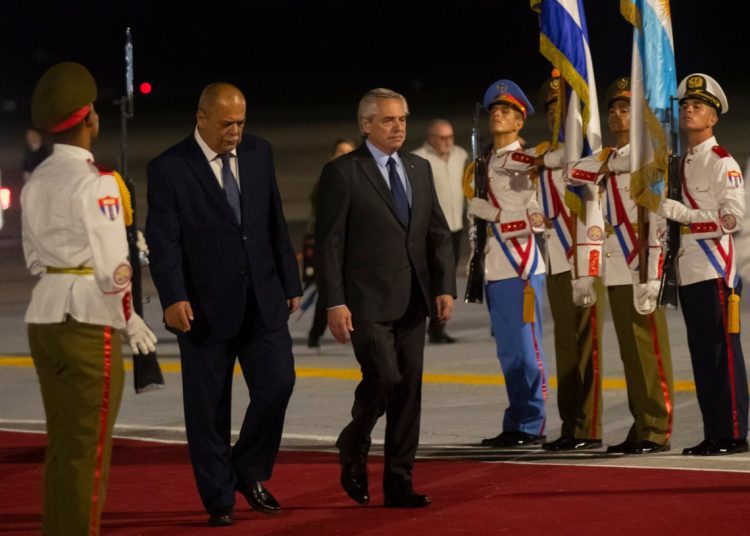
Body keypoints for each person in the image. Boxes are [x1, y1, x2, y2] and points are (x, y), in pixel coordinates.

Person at [145, 82, 302, 527]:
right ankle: (219, 499)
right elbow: (164, 241)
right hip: (203, 310)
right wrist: (174, 296)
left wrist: (290, 281)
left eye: (241, 122)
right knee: (209, 410)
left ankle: (247, 470)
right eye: (227, 123)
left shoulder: (258, 152)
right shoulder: (170, 168)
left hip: (263, 300)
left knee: (278, 385)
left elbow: (273, 220)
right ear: (201, 118)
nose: (236, 131)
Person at [22, 61, 157, 536]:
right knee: (90, 452)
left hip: (44, 316)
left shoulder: (36, 180)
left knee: (63, 447)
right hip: (85, 319)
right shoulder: (97, 181)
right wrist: (129, 318)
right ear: (89, 120)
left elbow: (34, 260)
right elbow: (113, 266)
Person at [316, 88, 456, 508]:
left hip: (414, 299)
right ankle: (355, 440)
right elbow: (329, 244)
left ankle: (399, 483)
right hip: (366, 301)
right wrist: (334, 302)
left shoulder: (419, 167)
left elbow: (438, 233)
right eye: (389, 120)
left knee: (409, 391)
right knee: (386, 378)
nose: (398, 127)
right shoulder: (344, 172)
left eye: (403, 119)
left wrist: (443, 286)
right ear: (366, 125)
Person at [565, 77, 674, 455]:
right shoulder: (608, 157)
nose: (615, 113)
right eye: (612, 108)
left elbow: (659, 215)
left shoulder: (652, 158)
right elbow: (570, 173)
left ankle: (656, 428)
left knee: (649, 348)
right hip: (615, 262)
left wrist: (657, 267)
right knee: (630, 350)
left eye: (625, 108)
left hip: (642, 261)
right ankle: (641, 423)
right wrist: (609, 160)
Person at [659, 73, 748, 455]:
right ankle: (714, 430)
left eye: (698, 106)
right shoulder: (682, 162)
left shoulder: (720, 161)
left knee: (721, 355)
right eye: (685, 106)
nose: (689, 110)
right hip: (690, 270)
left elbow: (733, 219)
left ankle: (732, 431)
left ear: (713, 118)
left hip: (714, 271)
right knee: (701, 356)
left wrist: (684, 215)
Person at [466, 80, 548, 448]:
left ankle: (531, 423)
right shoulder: (481, 164)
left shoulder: (528, 162)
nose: (497, 115)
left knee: (527, 353)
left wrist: (496, 216)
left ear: (519, 123)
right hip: (493, 268)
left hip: (521, 266)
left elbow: (539, 217)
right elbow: (473, 224)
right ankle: (515, 421)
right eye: (494, 111)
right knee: (509, 353)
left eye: (506, 112)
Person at [530, 73, 606, 451]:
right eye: (550, 108)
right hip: (557, 260)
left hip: (583, 259)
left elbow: (594, 209)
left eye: (562, 107)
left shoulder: (589, 153)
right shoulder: (545, 155)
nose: (555, 114)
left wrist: (589, 270)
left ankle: (587, 427)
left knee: (585, 344)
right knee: (565, 347)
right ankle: (571, 425)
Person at [412, 119, 468, 344]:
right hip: (428, 231)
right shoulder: (418, 158)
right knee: (426, 278)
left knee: (446, 279)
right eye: (442, 138)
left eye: (450, 137)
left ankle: (438, 328)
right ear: (431, 138)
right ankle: (417, 324)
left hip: (454, 227)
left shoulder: (460, 154)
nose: (448, 142)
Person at [304, 138, 356, 348]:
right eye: (340, 152)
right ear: (332, 155)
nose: (344, 156)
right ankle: (315, 334)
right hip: (328, 244)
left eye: (349, 152)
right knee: (327, 293)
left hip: (352, 246)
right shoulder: (328, 179)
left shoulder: (358, 177)